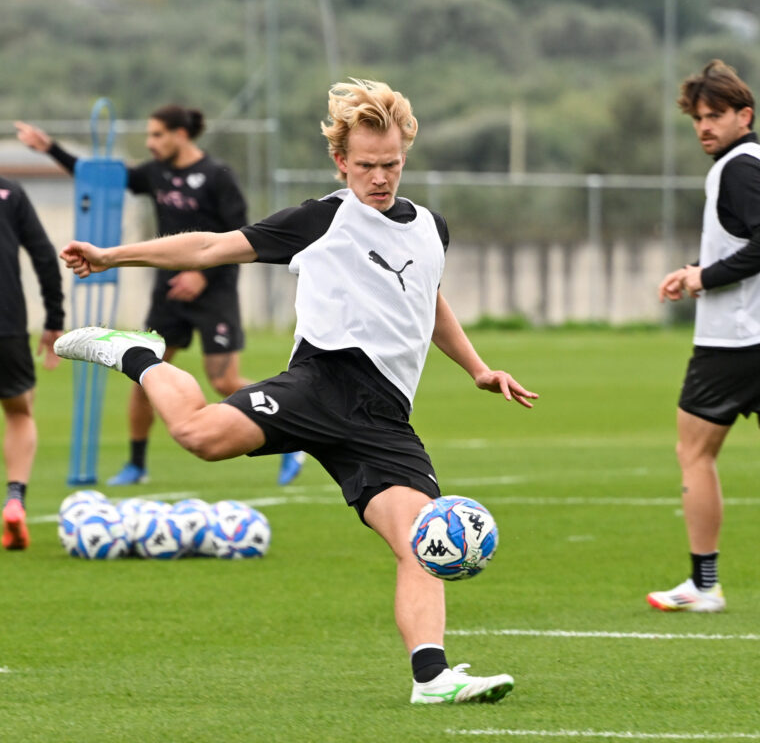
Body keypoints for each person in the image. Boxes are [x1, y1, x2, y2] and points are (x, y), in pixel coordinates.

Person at [54, 78, 536, 703]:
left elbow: (430, 297)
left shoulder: (430, 229)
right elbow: (207, 248)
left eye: (391, 164)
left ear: (405, 154)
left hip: (385, 418)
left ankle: (432, 678)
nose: (380, 177)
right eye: (366, 166)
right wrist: (112, 256)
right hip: (318, 383)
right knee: (198, 436)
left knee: (421, 540)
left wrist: (476, 367)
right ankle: (137, 354)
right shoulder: (321, 218)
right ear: (342, 161)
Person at [15, 109, 305, 487]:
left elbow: (242, 236)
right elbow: (101, 180)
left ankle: (289, 442)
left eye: (157, 135)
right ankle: (136, 465)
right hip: (167, 294)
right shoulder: (155, 172)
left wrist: (201, 277)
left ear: (181, 135)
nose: (151, 143)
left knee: (223, 378)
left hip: (213, 291)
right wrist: (50, 148)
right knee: (146, 375)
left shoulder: (218, 176)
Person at [648, 59, 760, 617]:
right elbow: (753, 238)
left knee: (693, 451)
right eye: (698, 117)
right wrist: (696, 267)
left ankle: (703, 585)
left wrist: (705, 278)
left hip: (738, 339)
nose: (705, 126)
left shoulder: (736, 167)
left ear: (746, 115)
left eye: (716, 116)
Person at [0, 176, 64, 550]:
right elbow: (43, 253)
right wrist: (54, 320)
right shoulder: (10, 192)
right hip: (6, 324)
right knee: (19, 411)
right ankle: (14, 499)